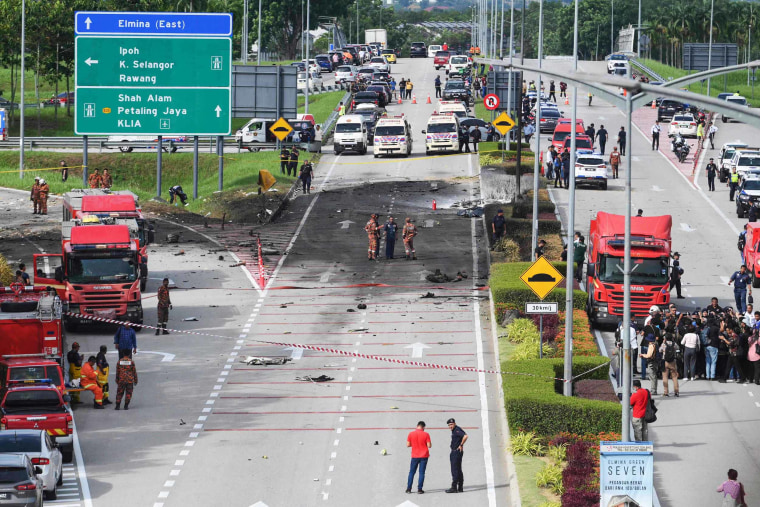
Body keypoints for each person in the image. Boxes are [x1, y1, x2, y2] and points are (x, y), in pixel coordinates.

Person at [406, 421, 431, 494]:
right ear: (423, 427)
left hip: (415, 455)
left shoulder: (411, 434)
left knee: (411, 472)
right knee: (421, 472)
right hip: (424, 456)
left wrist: (414, 444)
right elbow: (429, 445)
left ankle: (409, 489)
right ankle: (420, 489)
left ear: (417, 426)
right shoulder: (426, 434)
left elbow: (408, 445)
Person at [445, 418, 467, 493]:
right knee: (458, 469)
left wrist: (461, 444)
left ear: (454, 423)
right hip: (457, 452)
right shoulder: (456, 429)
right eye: (449, 425)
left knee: (454, 470)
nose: (450, 426)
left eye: (451, 424)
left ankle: (454, 487)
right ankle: (460, 487)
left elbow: (465, 436)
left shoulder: (457, 430)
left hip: (456, 452)